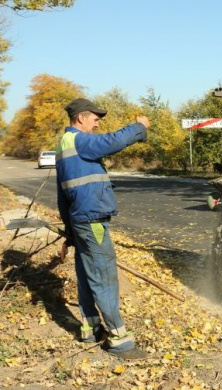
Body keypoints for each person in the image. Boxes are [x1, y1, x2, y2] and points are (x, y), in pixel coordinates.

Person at [56, 98, 149, 359]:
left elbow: (61, 193)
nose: (97, 124)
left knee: (86, 274)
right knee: (103, 275)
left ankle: (90, 328)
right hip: (92, 220)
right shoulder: (78, 140)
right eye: (95, 119)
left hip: (79, 219)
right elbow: (111, 142)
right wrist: (138, 128)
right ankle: (119, 338)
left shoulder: (64, 145)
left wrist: (69, 229)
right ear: (81, 118)